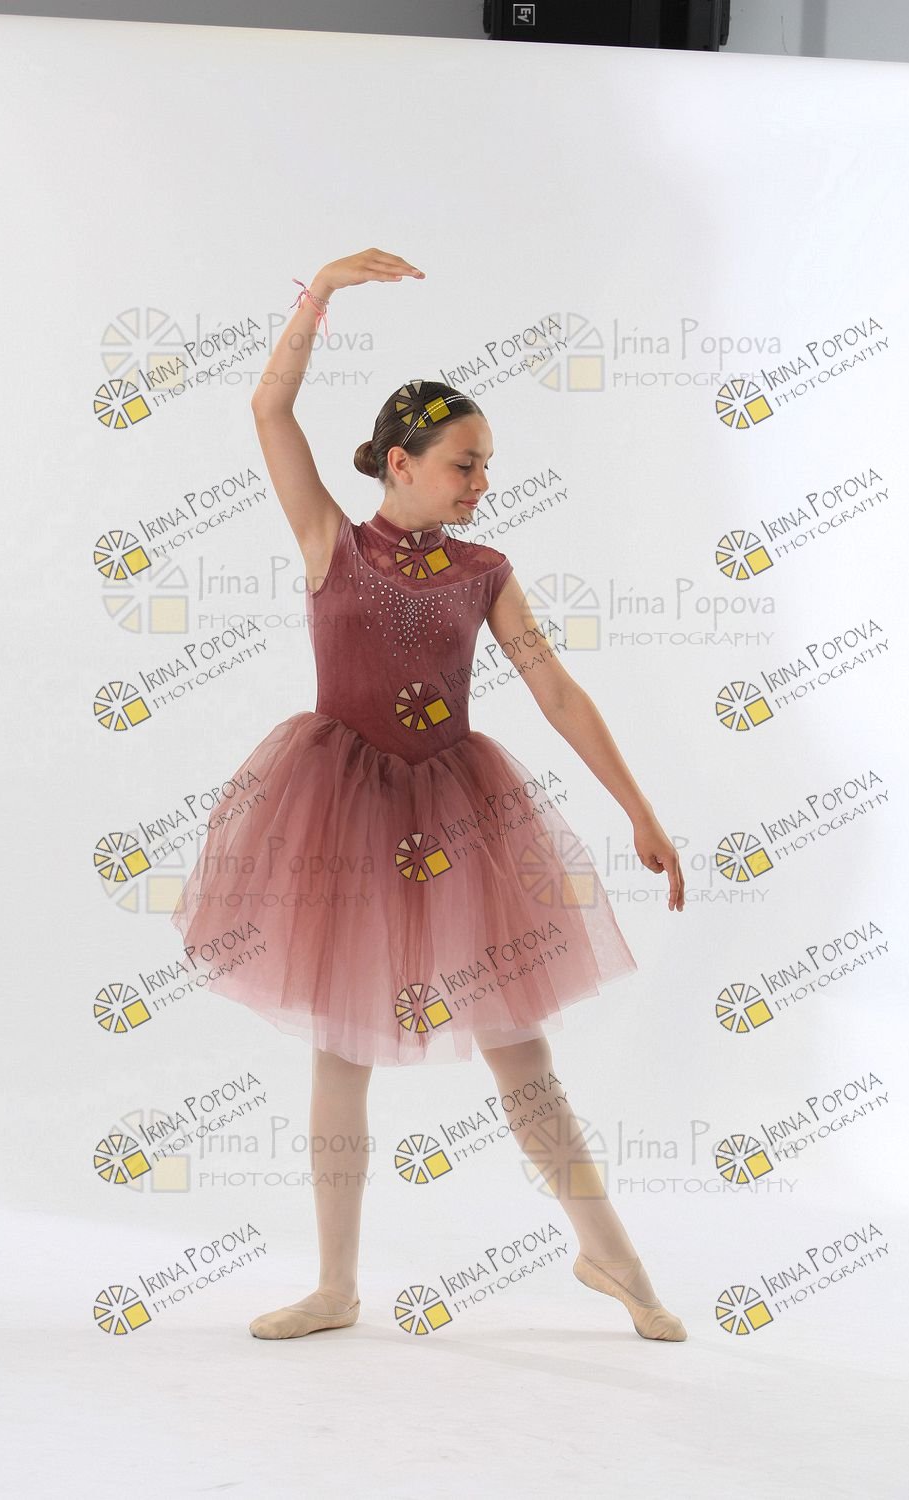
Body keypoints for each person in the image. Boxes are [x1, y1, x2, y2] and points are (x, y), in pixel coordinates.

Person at [171, 248, 687, 1344]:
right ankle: (335, 1286)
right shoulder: (330, 541)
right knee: (340, 1047)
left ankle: (612, 1255)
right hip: (338, 814)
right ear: (400, 463)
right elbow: (268, 407)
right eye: (464, 463)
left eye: (486, 466)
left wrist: (638, 808)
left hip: (461, 817)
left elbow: (555, 688)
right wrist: (318, 294)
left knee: (520, 1046)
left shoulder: (483, 571)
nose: (480, 483)